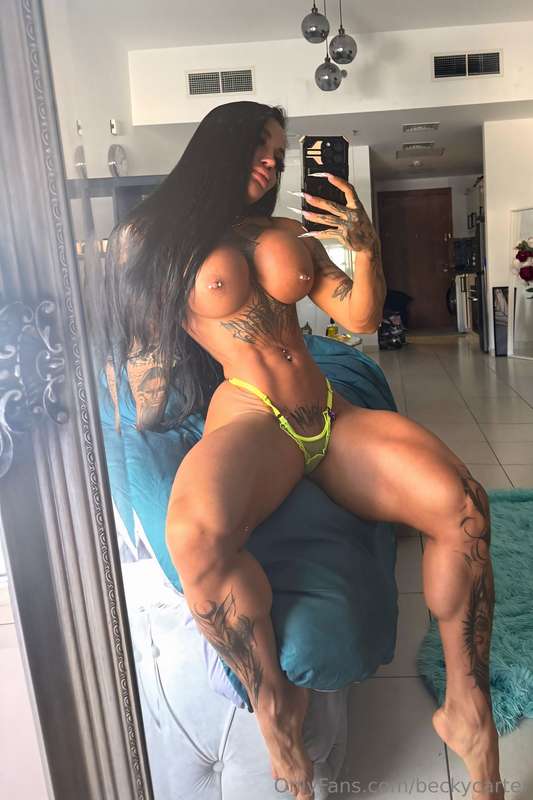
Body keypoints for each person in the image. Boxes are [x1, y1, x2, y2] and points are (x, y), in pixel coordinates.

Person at [100, 101, 504, 800]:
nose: (271, 162)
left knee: (462, 505)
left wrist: (365, 245)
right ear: (217, 148)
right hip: (252, 419)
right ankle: (274, 708)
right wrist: (135, 407)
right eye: (259, 147)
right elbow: (136, 340)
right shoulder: (153, 236)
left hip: (328, 414)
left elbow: (359, 315)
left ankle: (467, 708)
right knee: (194, 535)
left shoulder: (286, 233)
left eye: (280, 154)